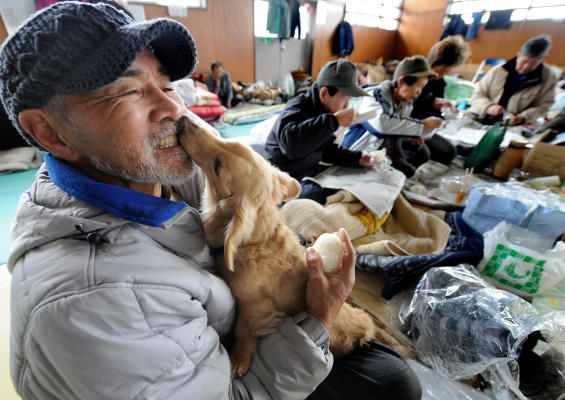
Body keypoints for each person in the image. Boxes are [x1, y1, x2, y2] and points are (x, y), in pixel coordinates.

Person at [0, 3, 422, 399]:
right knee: (395, 384)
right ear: (51, 133)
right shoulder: (95, 304)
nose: (172, 108)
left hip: (213, 322)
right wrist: (320, 317)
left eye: (166, 84)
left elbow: (244, 180)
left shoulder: (141, 165)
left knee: (386, 365)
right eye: (127, 92)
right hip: (220, 364)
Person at [264, 60, 373, 204]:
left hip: (309, 169)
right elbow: (291, 148)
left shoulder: (325, 111)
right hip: (284, 175)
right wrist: (334, 121)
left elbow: (326, 151)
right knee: (312, 196)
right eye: (345, 100)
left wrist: (358, 158)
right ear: (324, 93)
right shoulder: (297, 106)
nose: (347, 106)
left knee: (354, 180)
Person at [341, 56, 443, 177]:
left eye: (422, 87)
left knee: (422, 153)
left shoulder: (406, 103)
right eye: (418, 86)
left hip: (382, 152)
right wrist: (423, 125)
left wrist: (412, 137)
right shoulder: (372, 95)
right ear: (401, 82)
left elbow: (395, 134)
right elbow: (381, 127)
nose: (419, 92)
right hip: (357, 153)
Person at [469, 35, 557, 126]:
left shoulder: (548, 79)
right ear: (518, 55)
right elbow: (477, 94)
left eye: (533, 63)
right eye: (524, 61)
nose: (526, 66)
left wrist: (523, 117)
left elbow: (544, 106)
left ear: (541, 60)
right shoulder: (498, 71)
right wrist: (488, 107)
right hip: (480, 116)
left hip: (513, 125)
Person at [411, 36, 470, 165]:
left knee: (449, 152)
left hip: (424, 130)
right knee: (421, 153)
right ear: (435, 61)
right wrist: (431, 101)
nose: (445, 72)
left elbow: (436, 115)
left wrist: (442, 111)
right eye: (444, 68)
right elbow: (405, 103)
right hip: (406, 125)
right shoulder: (415, 74)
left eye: (449, 69)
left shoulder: (440, 83)